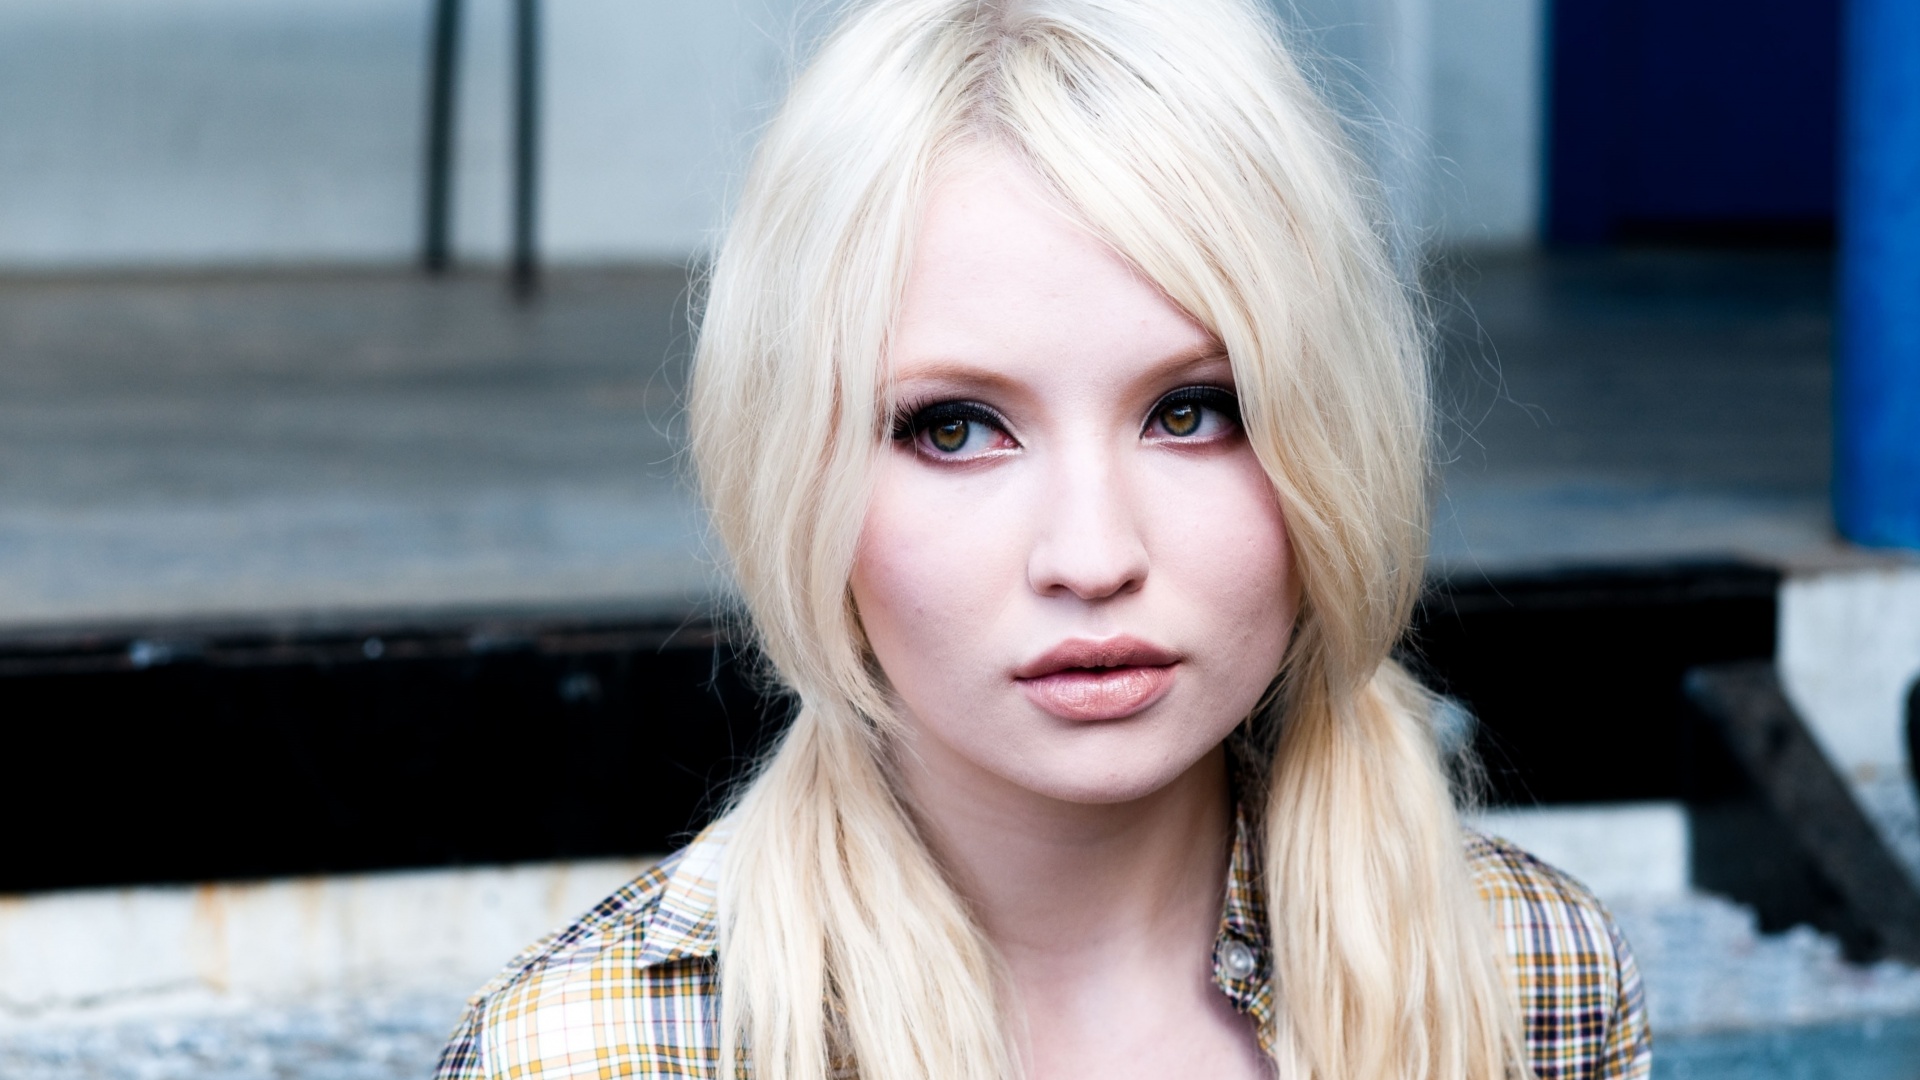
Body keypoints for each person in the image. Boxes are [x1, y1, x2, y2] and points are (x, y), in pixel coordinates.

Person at [434, 0, 1650, 1077]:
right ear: (793, 472)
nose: (1091, 556)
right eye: (955, 429)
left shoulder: (1532, 981)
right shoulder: (592, 1055)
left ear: (1333, 434)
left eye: (1192, 411)